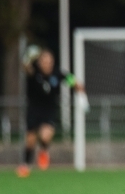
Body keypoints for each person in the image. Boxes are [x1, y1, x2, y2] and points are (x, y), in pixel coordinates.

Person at [18, 46, 85, 178]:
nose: (47, 64)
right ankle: (26, 165)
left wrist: (80, 91)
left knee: (45, 135)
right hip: (33, 109)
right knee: (30, 140)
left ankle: (43, 151)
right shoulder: (34, 72)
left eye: (50, 61)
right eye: (44, 61)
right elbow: (25, 67)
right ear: (39, 62)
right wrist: (27, 58)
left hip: (49, 110)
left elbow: (72, 81)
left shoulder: (58, 73)